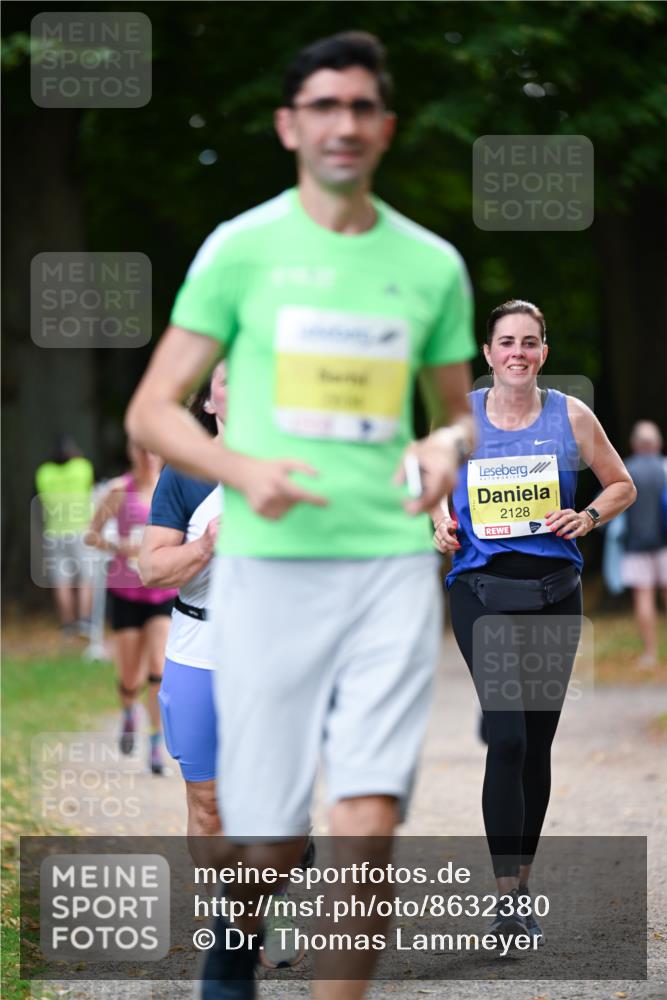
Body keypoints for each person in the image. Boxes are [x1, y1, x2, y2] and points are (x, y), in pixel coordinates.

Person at [126, 31, 476, 998]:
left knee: (367, 818)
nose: (344, 124)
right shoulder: (240, 250)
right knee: (269, 830)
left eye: (362, 106)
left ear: (386, 127)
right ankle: (233, 953)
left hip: (388, 563)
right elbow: (153, 410)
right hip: (270, 573)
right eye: (323, 105)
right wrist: (239, 468)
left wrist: (441, 451)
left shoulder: (431, 264)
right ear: (290, 124)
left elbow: (454, 418)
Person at [434, 299, 636, 944]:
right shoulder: (459, 417)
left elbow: (621, 483)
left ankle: (521, 882)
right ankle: (502, 897)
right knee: (509, 736)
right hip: (481, 591)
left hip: (555, 590)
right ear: (489, 353)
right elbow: (426, 477)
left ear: (542, 353)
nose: (517, 352)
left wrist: (590, 516)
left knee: (538, 742)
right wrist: (437, 515)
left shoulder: (570, 415)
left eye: (529, 342)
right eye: (505, 342)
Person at [138, 364, 226, 836]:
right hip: (199, 646)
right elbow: (150, 568)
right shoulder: (185, 473)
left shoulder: (300, 470)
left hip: (276, 648)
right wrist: (206, 545)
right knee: (207, 802)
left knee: (276, 798)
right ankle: (229, 905)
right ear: (210, 403)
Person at [85, 442, 177, 774]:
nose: (150, 456)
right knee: (130, 676)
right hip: (125, 591)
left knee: (158, 670)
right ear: (131, 452)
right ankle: (128, 712)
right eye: (143, 450)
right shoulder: (118, 491)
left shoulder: (172, 486)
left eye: (154, 450)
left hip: (162, 592)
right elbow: (90, 535)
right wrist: (118, 546)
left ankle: (155, 746)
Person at [35, 435, 95, 637]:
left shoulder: (44, 473)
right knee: (86, 578)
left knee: (62, 582)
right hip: (81, 531)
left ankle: (68, 626)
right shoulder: (82, 468)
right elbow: (91, 487)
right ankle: (85, 622)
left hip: (54, 533)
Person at [620, 420, 667, 668]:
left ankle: (650, 653)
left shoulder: (625, 472)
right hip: (665, 544)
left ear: (635, 444)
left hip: (635, 546)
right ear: (657, 443)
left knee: (644, 597)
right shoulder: (665, 468)